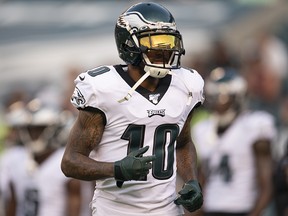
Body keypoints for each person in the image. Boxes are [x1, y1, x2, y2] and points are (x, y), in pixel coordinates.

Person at [61, 2, 204, 216]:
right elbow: (70, 162)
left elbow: (182, 144)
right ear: (129, 44)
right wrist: (116, 168)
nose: (163, 50)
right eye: (154, 42)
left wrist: (192, 180)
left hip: (167, 210)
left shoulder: (187, 85)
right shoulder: (104, 89)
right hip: (115, 211)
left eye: (167, 42)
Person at [192, 67, 277, 216]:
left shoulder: (255, 125)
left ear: (237, 96)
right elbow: (202, 178)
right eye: (213, 96)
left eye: (222, 96)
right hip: (210, 209)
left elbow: (267, 184)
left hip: (243, 208)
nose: (217, 102)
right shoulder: (202, 128)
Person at [3, 98, 83, 216]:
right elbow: (12, 204)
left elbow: (74, 207)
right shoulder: (15, 158)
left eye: (40, 129)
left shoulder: (65, 160)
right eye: (30, 129)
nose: (34, 134)